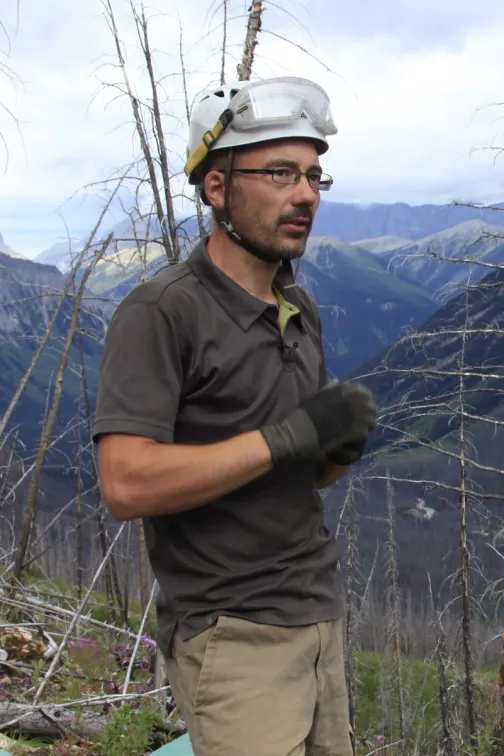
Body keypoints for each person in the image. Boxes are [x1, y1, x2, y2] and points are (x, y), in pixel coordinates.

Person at [92, 76, 376, 755]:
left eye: (313, 176)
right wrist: (283, 438)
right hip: (233, 634)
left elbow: (298, 478)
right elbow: (125, 484)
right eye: (279, 173)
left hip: (315, 619)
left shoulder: (297, 310)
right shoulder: (164, 312)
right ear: (217, 188)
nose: (304, 194)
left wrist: (334, 450)